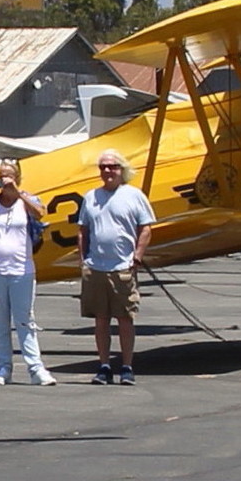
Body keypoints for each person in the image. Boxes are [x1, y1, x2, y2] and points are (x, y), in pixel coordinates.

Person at [0, 159, 55, 386]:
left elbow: (40, 213)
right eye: (1, 175)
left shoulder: (26, 201)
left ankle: (36, 368)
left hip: (21, 270)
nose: (5, 180)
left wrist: (19, 194)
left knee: (25, 319)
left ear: (17, 178)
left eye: (9, 176)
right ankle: (3, 367)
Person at [76, 148, 155, 385]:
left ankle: (127, 366)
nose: (107, 171)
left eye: (112, 166)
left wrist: (137, 257)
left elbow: (146, 228)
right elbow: (83, 230)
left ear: (122, 170)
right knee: (100, 319)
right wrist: (83, 261)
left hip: (122, 267)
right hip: (96, 267)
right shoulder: (91, 197)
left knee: (124, 318)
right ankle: (104, 366)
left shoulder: (134, 195)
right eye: (103, 167)